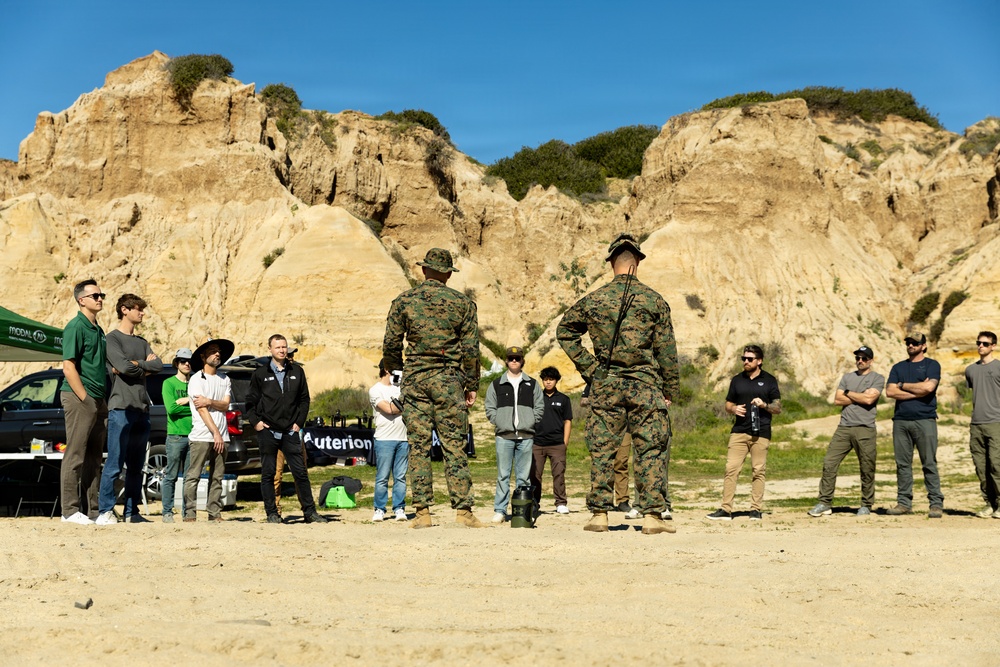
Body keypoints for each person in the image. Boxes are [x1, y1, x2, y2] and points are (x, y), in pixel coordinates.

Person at [557, 233, 679, 535]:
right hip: (645, 385)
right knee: (649, 449)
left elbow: (565, 331)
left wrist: (591, 369)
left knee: (603, 450)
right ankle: (652, 517)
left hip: (606, 384)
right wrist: (669, 391)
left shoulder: (596, 299)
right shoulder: (654, 301)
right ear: (637, 261)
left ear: (611, 262)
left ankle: (600, 514)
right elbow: (667, 351)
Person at [382, 247, 486, 528]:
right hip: (449, 382)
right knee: (454, 446)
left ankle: (422, 513)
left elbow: (391, 344)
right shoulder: (462, 304)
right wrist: (471, 384)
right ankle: (463, 511)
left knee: (419, 447)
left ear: (424, 270)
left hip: (415, 381)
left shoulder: (404, 301)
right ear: (448, 275)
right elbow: (470, 350)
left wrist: (397, 370)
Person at [245, 334, 327, 524]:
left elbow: (304, 400)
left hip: (291, 431)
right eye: (278, 347)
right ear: (270, 350)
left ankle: (310, 512)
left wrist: (299, 422)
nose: (282, 350)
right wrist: (256, 423)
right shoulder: (260, 374)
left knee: (300, 473)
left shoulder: (297, 372)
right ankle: (272, 513)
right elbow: (250, 402)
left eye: (284, 347)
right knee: (269, 473)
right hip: (268, 432)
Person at [95, 294, 162, 525]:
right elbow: (122, 366)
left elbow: (158, 365)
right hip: (121, 408)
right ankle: (105, 511)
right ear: (124, 310)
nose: (141, 312)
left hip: (142, 409)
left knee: (136, 466)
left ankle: (131, 512)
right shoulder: (112, 339)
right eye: (137, 309)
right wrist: (141, 366)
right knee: (114, 462)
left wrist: (135, 365)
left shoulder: (142, 342)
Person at [706, 345, 782, 521]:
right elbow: (727, 404)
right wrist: (733, 409)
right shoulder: (737, 380)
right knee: (730, 469)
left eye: (749, 359)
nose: (746, 362)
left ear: (759, 361)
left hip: (761, 432)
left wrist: (764, 405)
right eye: (744, 359)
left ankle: (755, 510)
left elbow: (777, 408)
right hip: (739, 432)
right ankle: (726, 510)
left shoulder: (769, 380)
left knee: (758, 470)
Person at [808, 346, 885, 518]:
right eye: (858, 358)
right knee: (829, 463)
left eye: (864, 358)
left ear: (871, 361)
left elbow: (869, 399)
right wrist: (857, 395)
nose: (860, 361)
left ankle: (866, 504)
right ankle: (824, 502)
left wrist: (849, 394)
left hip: (865, 428)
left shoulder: (877, 378)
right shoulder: (847, 377)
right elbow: (837, 400)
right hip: (844, 427)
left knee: (867, 467)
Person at [59, 279, 108, 525]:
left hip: (99, 399)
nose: (100, 299)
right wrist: (86, 399)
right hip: (80, 397)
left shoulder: (97, 329)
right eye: (96, 296)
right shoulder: (75, 327)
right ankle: (69, 511)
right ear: (82, 300)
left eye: (102, 295)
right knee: (75, 454)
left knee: (94, 458)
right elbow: (68, 367)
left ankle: (93, 512)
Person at [885, 332, 944, 517]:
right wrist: (915, 390)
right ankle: (904, 503)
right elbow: (889, 392)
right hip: (901, 421)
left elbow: (929, 388)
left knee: (929, 463)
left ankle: (935, 504)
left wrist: (902, 385)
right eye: (909, 342)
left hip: (925, 420)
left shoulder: (932, 365)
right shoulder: (898, 367)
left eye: (915, 343)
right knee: (902, 464)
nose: (911, 345)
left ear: (923, 346)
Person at [485, 346, 544, 523]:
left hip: (526, 436)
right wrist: (499, 421)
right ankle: (500, 511)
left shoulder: (532, 384)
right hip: (504, 437)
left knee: (523, 477)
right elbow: (489, 407)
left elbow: (540, 407)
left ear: (522, 361)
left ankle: (522, 511)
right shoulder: (496, 384)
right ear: (506, 361)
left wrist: (530, 421)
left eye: (517, 359)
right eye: (511, 359)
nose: (514, 362)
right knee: (503, 475)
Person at [183, 339, 234, 522]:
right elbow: (201, 410)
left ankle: (214, 512)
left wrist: (210, 401)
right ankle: (189, 512)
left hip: (222, 435)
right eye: (213, 351)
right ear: (204, 356)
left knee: (217, 476)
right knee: (194, 475)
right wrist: (216, 433)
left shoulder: (225, 379)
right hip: (202, 435)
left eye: (218, 351)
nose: (217, 354)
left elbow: (225, 404)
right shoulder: (196, 379)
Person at [368, 360, 409, 522]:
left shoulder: (401, 388)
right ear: (386, 370)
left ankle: (399, 508)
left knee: (400, 477)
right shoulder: (375, 390)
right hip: (384, 438)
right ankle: (379, 508)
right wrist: (404, 404)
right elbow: (389, 409)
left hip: (403, 438)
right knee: (382, 477)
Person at [965, 331, 1000, 518]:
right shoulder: (970, 370)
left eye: (985, 344)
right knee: (981, 467)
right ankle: (989, 504)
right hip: (976, 424)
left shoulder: (999, 367)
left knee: (996, 465)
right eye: (978, 342)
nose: (981, 346)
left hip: (996, 423)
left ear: (993, 346)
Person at [530, 366, 573, 515]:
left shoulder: (564, 399)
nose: (548, 382)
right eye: (546, 379)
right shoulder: (535, 398)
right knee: (534, 475)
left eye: (551, 379)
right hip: (537, 443)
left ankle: (561, 503)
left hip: (557, 444)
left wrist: (564, 442)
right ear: (542, 381)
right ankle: (534, 502)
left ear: (556, 381)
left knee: (559, 474)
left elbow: (567, 421)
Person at [161, 348, 193, 523]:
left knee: (190, 478)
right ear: (176, 363)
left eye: (189, 361)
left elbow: (202, 404)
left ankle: (187, 513)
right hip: (175, 436)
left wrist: (188, 400)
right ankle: (167, 512)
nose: (187, 364)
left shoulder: (195, 383)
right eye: (182, 361)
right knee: (171, 475)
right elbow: (171, 409)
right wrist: (194, 406)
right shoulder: (169, 383)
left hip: (194, 436)